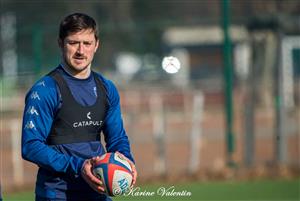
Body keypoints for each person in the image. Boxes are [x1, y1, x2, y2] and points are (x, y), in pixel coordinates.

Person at [21, 13, 137, 201]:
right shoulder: (45, 90)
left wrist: (126, 162)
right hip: (57, 194)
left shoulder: (107, 88)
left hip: (98, 193)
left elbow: (117, 138)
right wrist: (79, 166)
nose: (81, 51)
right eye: (73, 42)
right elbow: (30, 146)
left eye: (87, 43)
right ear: (60, 43)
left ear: (96, 45)